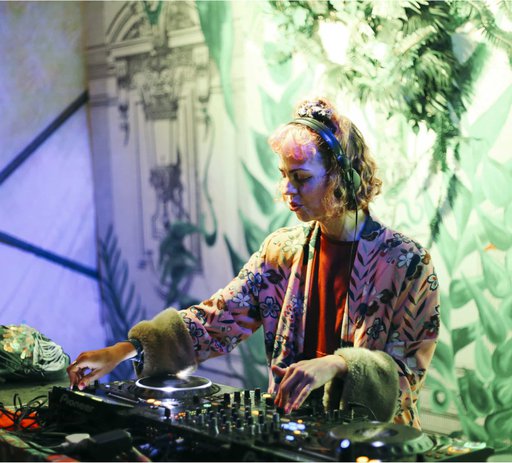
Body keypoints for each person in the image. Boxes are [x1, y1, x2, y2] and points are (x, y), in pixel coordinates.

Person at [68, 97, 440, 429]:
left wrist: (339, 364)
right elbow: (216, 321)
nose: (287, 190)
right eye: (284, 176)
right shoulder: (281, 251)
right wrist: (125, 349)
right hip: (294, 437)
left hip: (374, 446)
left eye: (301, 178)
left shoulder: (407, 263)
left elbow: (407, 376)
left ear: (342, 178)